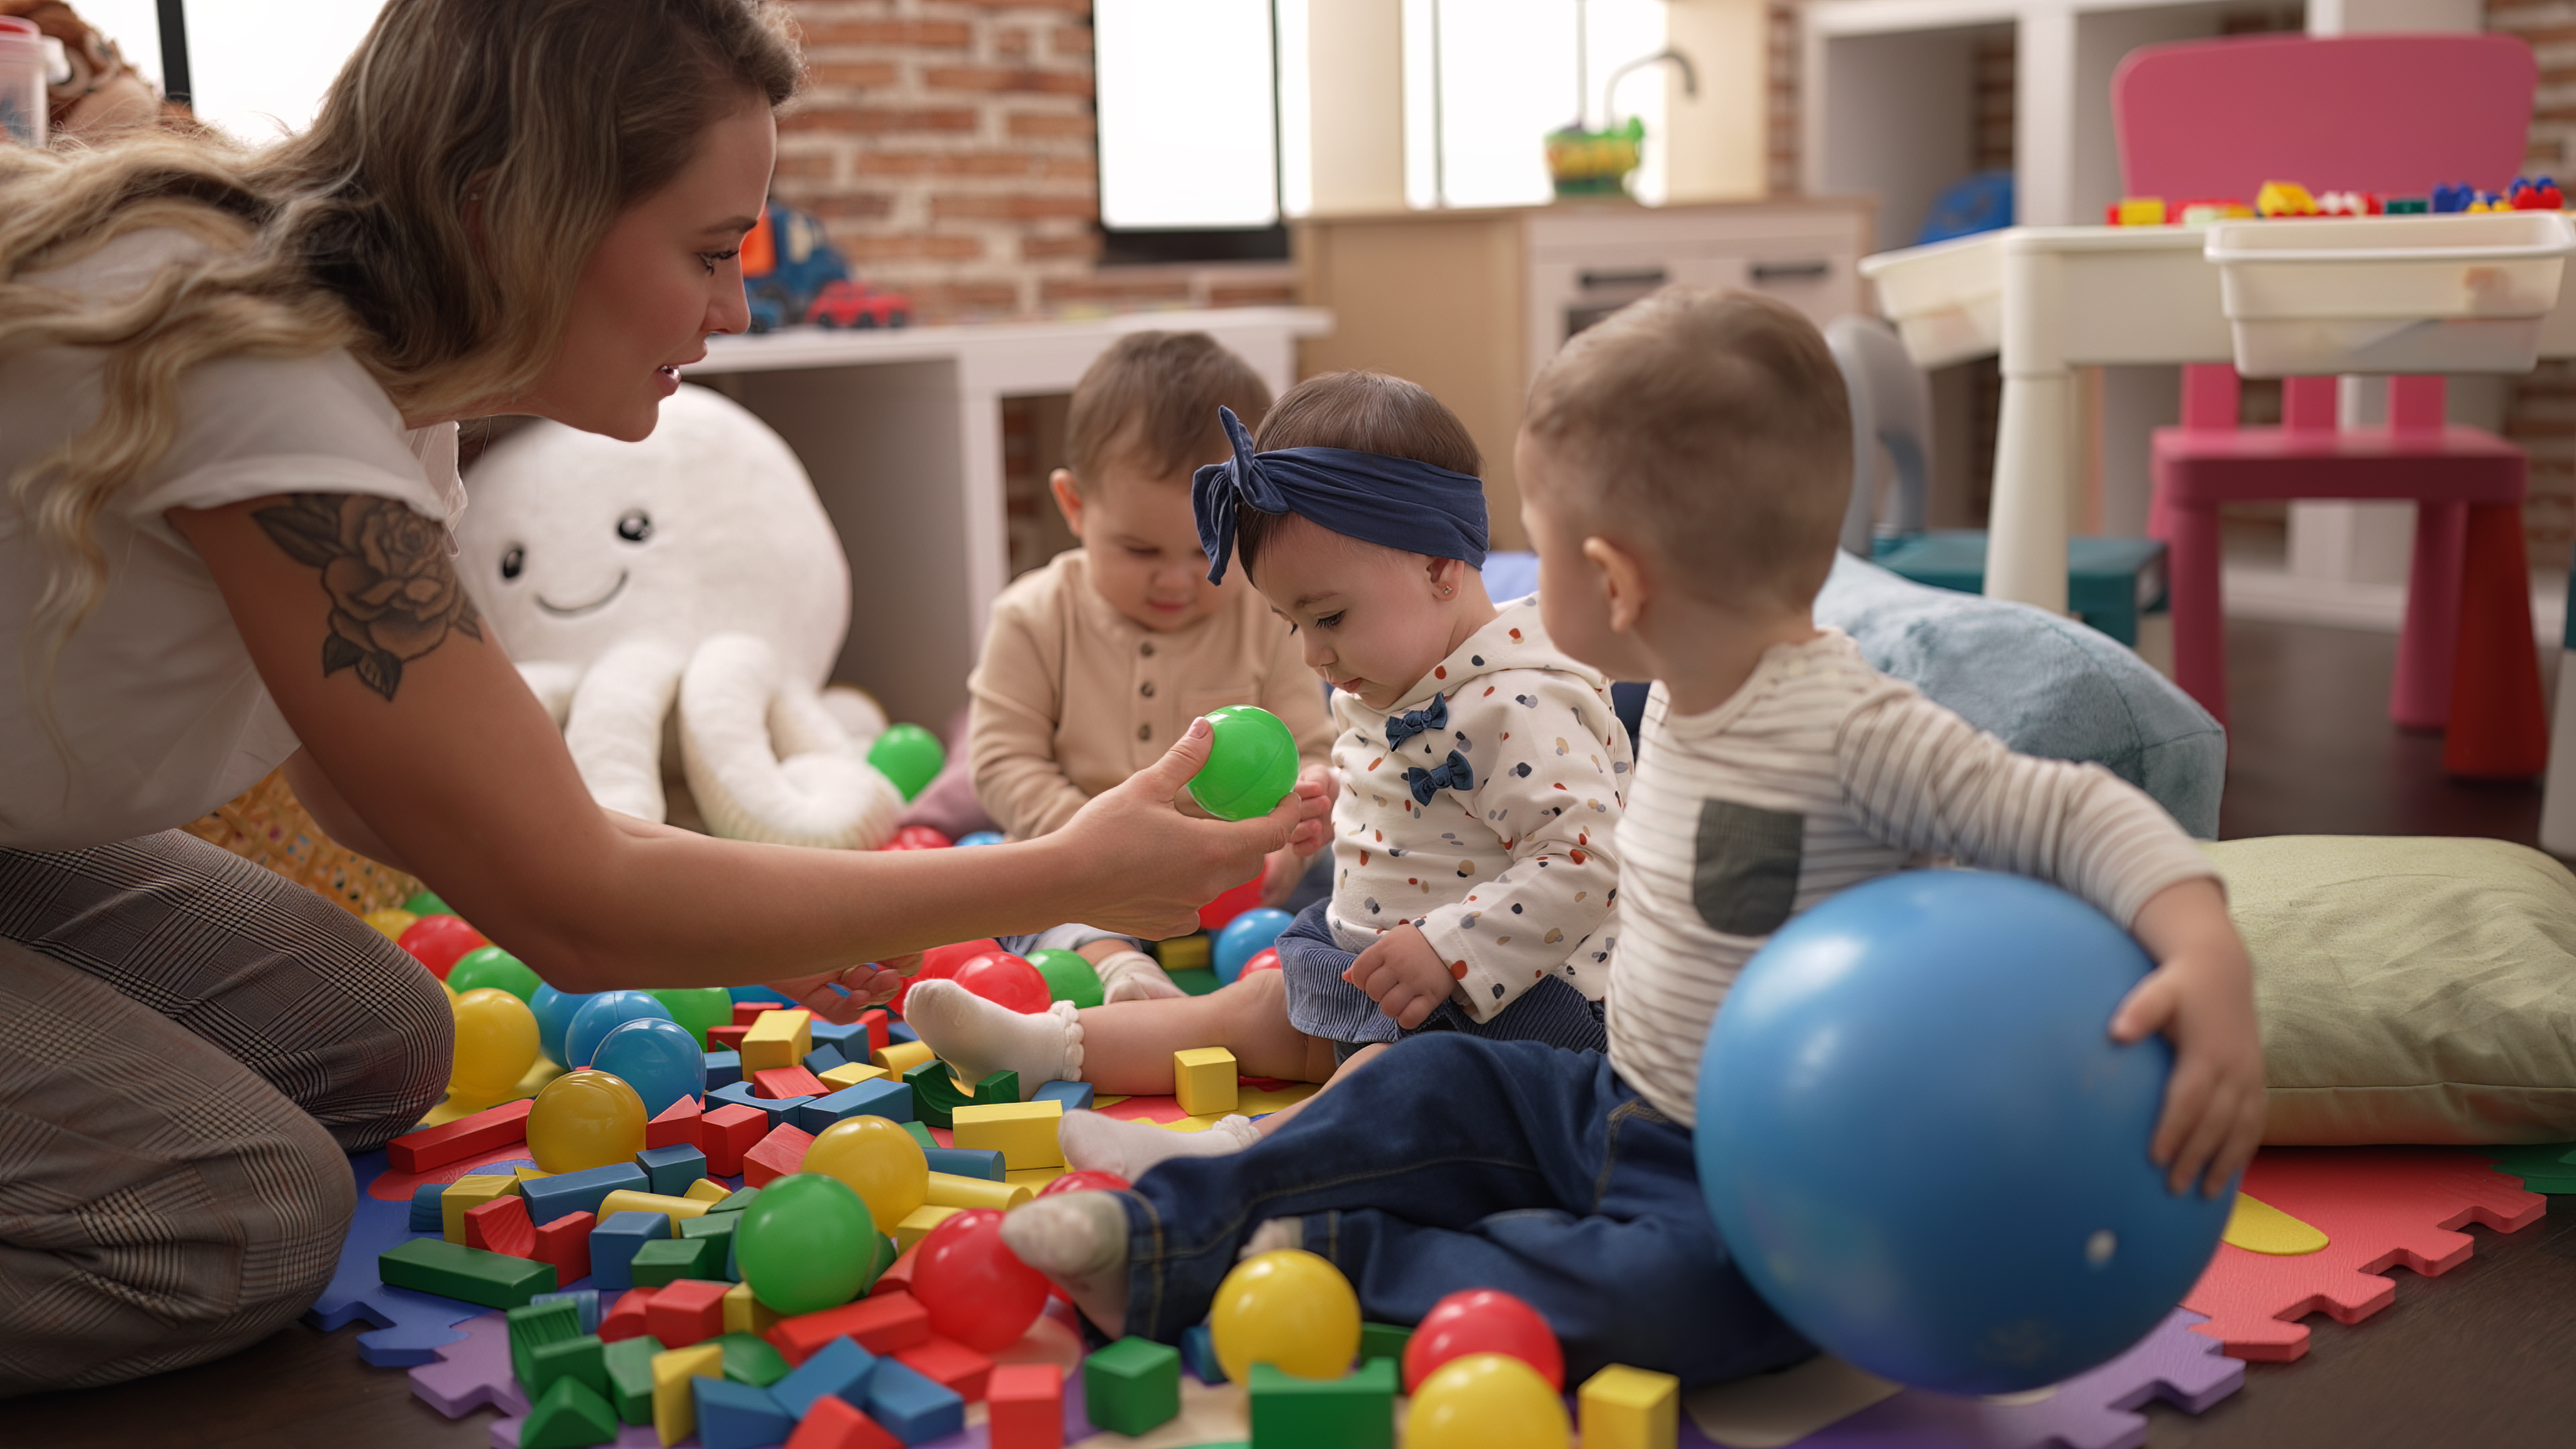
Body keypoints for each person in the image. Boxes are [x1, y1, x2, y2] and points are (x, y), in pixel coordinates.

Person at [0, 0, 1311, 1395]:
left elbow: (391, 785)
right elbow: (572, 899)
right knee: (245, 1222)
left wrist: (763, 909)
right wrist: (1054, 875)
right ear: (510, 214)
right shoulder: (263, 373)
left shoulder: (398, 381)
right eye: (705, 252)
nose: (735, 307)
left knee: (381, 1046)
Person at [994, 288, 2268, 1387]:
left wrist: (2200, 946)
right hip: (1607, 1095)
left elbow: (2070, 807)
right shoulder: (1673, 697)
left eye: (1531, 555)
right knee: (1419, 1085)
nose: (1507, 583)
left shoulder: (1847, 725)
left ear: (1612, 581)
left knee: (1680, 1305)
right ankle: (1167, 1224)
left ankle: (1315, 1268)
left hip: (1755, 1173)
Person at [908, 371, 1627, 1180]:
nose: (1311, 655)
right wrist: (1329, 798)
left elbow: (1586, 861)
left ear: (1438, 568)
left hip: (1514, 1004)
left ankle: (1229, 1157)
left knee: (1400, 1079)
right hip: (1378, 970)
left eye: (1328, 618)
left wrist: (1449, 949)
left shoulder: (1521, 700)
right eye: (1292, 623)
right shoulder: (1399, 668)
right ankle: (1046, 1046)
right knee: (1252, 1006)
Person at [963, 331, 1333, 1001]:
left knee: (1347, 871)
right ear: (1075, 506)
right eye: (1138, 550)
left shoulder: (1266, 614)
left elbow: (1312, 746)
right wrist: (1089, 848)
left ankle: (1304, 978)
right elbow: (1002, 762)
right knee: (1019, 895)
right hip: (1085, 866)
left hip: (1238, 873)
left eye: (1206, 550)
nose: (1176, 579)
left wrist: (1299, 819)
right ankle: (1122, 972)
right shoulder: (1033, 616)